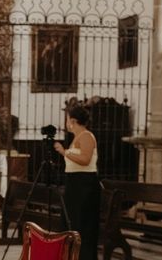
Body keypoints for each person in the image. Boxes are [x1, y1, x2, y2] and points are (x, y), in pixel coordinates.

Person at [53, 104, 100, 260]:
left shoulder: (87, 136)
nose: (66, 123)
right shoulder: (76, 138)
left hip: (84, 185)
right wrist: (65, 153)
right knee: (71, 223)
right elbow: (75, 161)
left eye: (67, 119)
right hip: (74, 183)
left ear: (72, 120)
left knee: (82, 224)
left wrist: (64, 152)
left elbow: (85, 160)